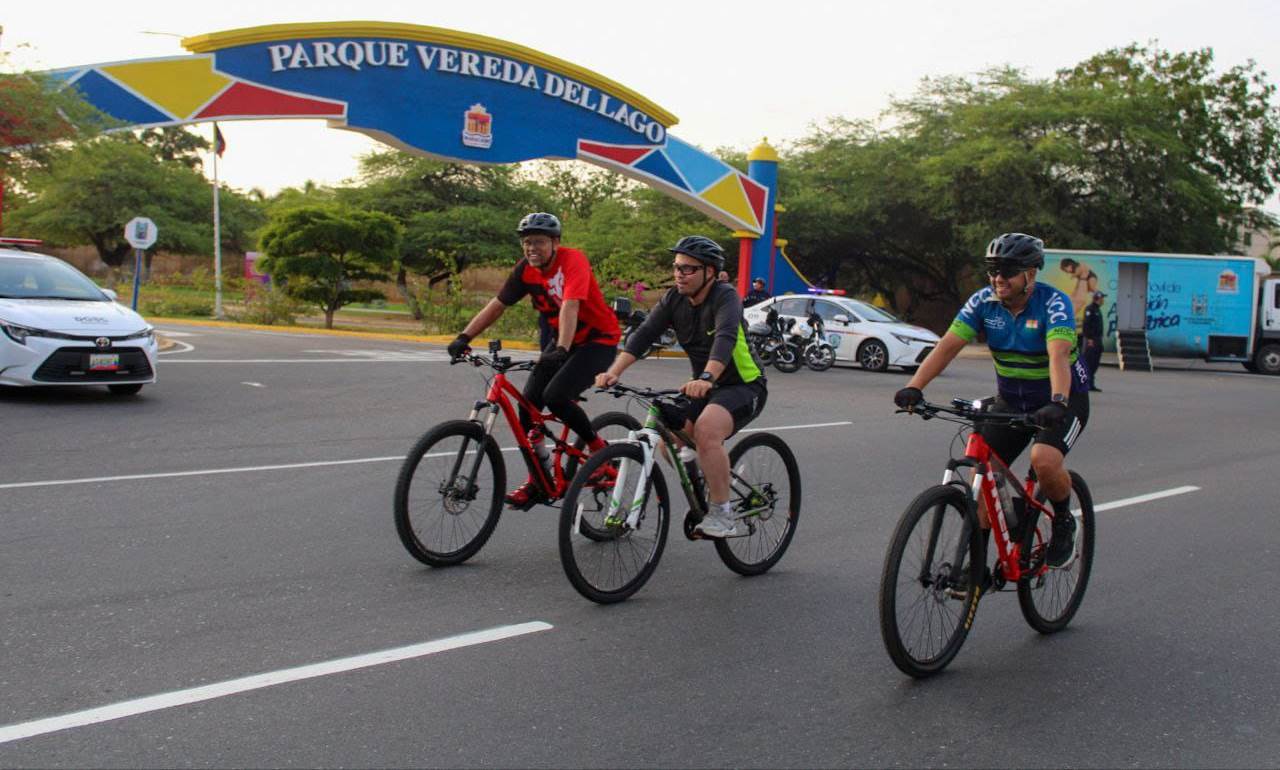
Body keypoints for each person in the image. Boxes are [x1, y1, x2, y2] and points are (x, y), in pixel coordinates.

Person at [894, 233, 1091, 568]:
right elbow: (947, 347)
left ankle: (1062, 520)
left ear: (1030, 273)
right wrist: (914, 387)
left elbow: (1058, 357)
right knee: (985, 479)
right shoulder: (982, 302)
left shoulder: (1053, 304)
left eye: (1008, 271)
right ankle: (976, 569)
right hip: (1012, 400)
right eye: (993, 271)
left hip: (1062, 398)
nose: (998, 278)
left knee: (1043, 459)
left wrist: (1057, 401)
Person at [595, 235, 767, 538]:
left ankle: (723, 514)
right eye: (676, 267)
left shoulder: (725, 296)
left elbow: (725, 338)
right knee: (668, 442)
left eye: (688, 269)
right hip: (702, 385)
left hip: (743, 385)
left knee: (706, 432)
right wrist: (613, 372)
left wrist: (706, 377)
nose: (679, 274)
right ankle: (709, 481)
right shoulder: (674, 298)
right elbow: (646, 333)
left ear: (709, 272)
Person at [447, 212, 621, 508]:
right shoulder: (525, 270)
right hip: (561, 342)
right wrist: (464, 337)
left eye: (539, 242)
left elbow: (570, 305)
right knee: (527, 410)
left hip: (597, 341)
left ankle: (597, 447)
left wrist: (561, 350)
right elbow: (498, 304)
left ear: (555, 242)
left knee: (555, 396)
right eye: (527, 243)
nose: (532, 249)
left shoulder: (573, 260)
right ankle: (539, 479)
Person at [1059, 257, 1099, 324]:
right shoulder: (1076, 271)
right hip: (1085, 280)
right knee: (1085, 288)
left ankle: (1097, 292)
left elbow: (1080, 270)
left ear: (1069, 265)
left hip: (1091, 276)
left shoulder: (1077, 266)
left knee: (1092, 287)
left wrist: (1074, 276)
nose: (1068, 272)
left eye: (1066, 270)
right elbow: (1079, 281)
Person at [1082, 290, 1105, 392]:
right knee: (1089, 362)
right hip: (1091, 340)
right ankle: (1086, 384)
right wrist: (1089, 339)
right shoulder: (1090, 309)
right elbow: (1086, 325)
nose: (1103, 300)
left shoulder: (1097, 309)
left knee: (1095, 362)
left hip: (1097, 339)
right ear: (1098, 298)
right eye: (1102, 298)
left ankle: (1091, 384)